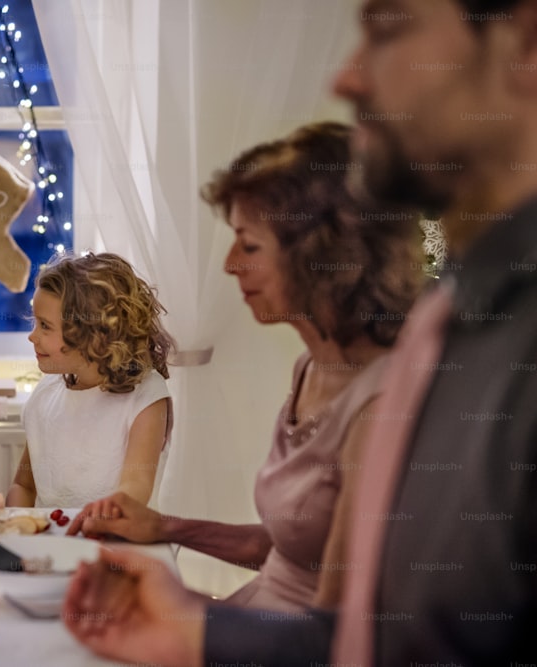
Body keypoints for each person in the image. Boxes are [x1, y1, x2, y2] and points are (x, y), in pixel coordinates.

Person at [63, 0, 537, 665]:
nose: (345, 79)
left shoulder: (421, 372)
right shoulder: (445, 322)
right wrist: (177, 571)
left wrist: (198, 624)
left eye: (390, 27)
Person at [69, 122, 423, 612]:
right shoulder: (309, 368)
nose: (230, 264)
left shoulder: (381, 402)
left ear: (320, 256)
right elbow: (291, 553)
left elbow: (337, 626)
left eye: (249, 245)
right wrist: (165, 527)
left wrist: (180, 608)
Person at [5, 252, 174, 508]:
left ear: (93, 336)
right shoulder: (45, 395)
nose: (33, 336)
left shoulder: (146, 397)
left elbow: (135, 489)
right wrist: (15, 527)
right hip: (51, 543)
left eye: (45, 326)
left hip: (118, 543)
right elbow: (24, 486)